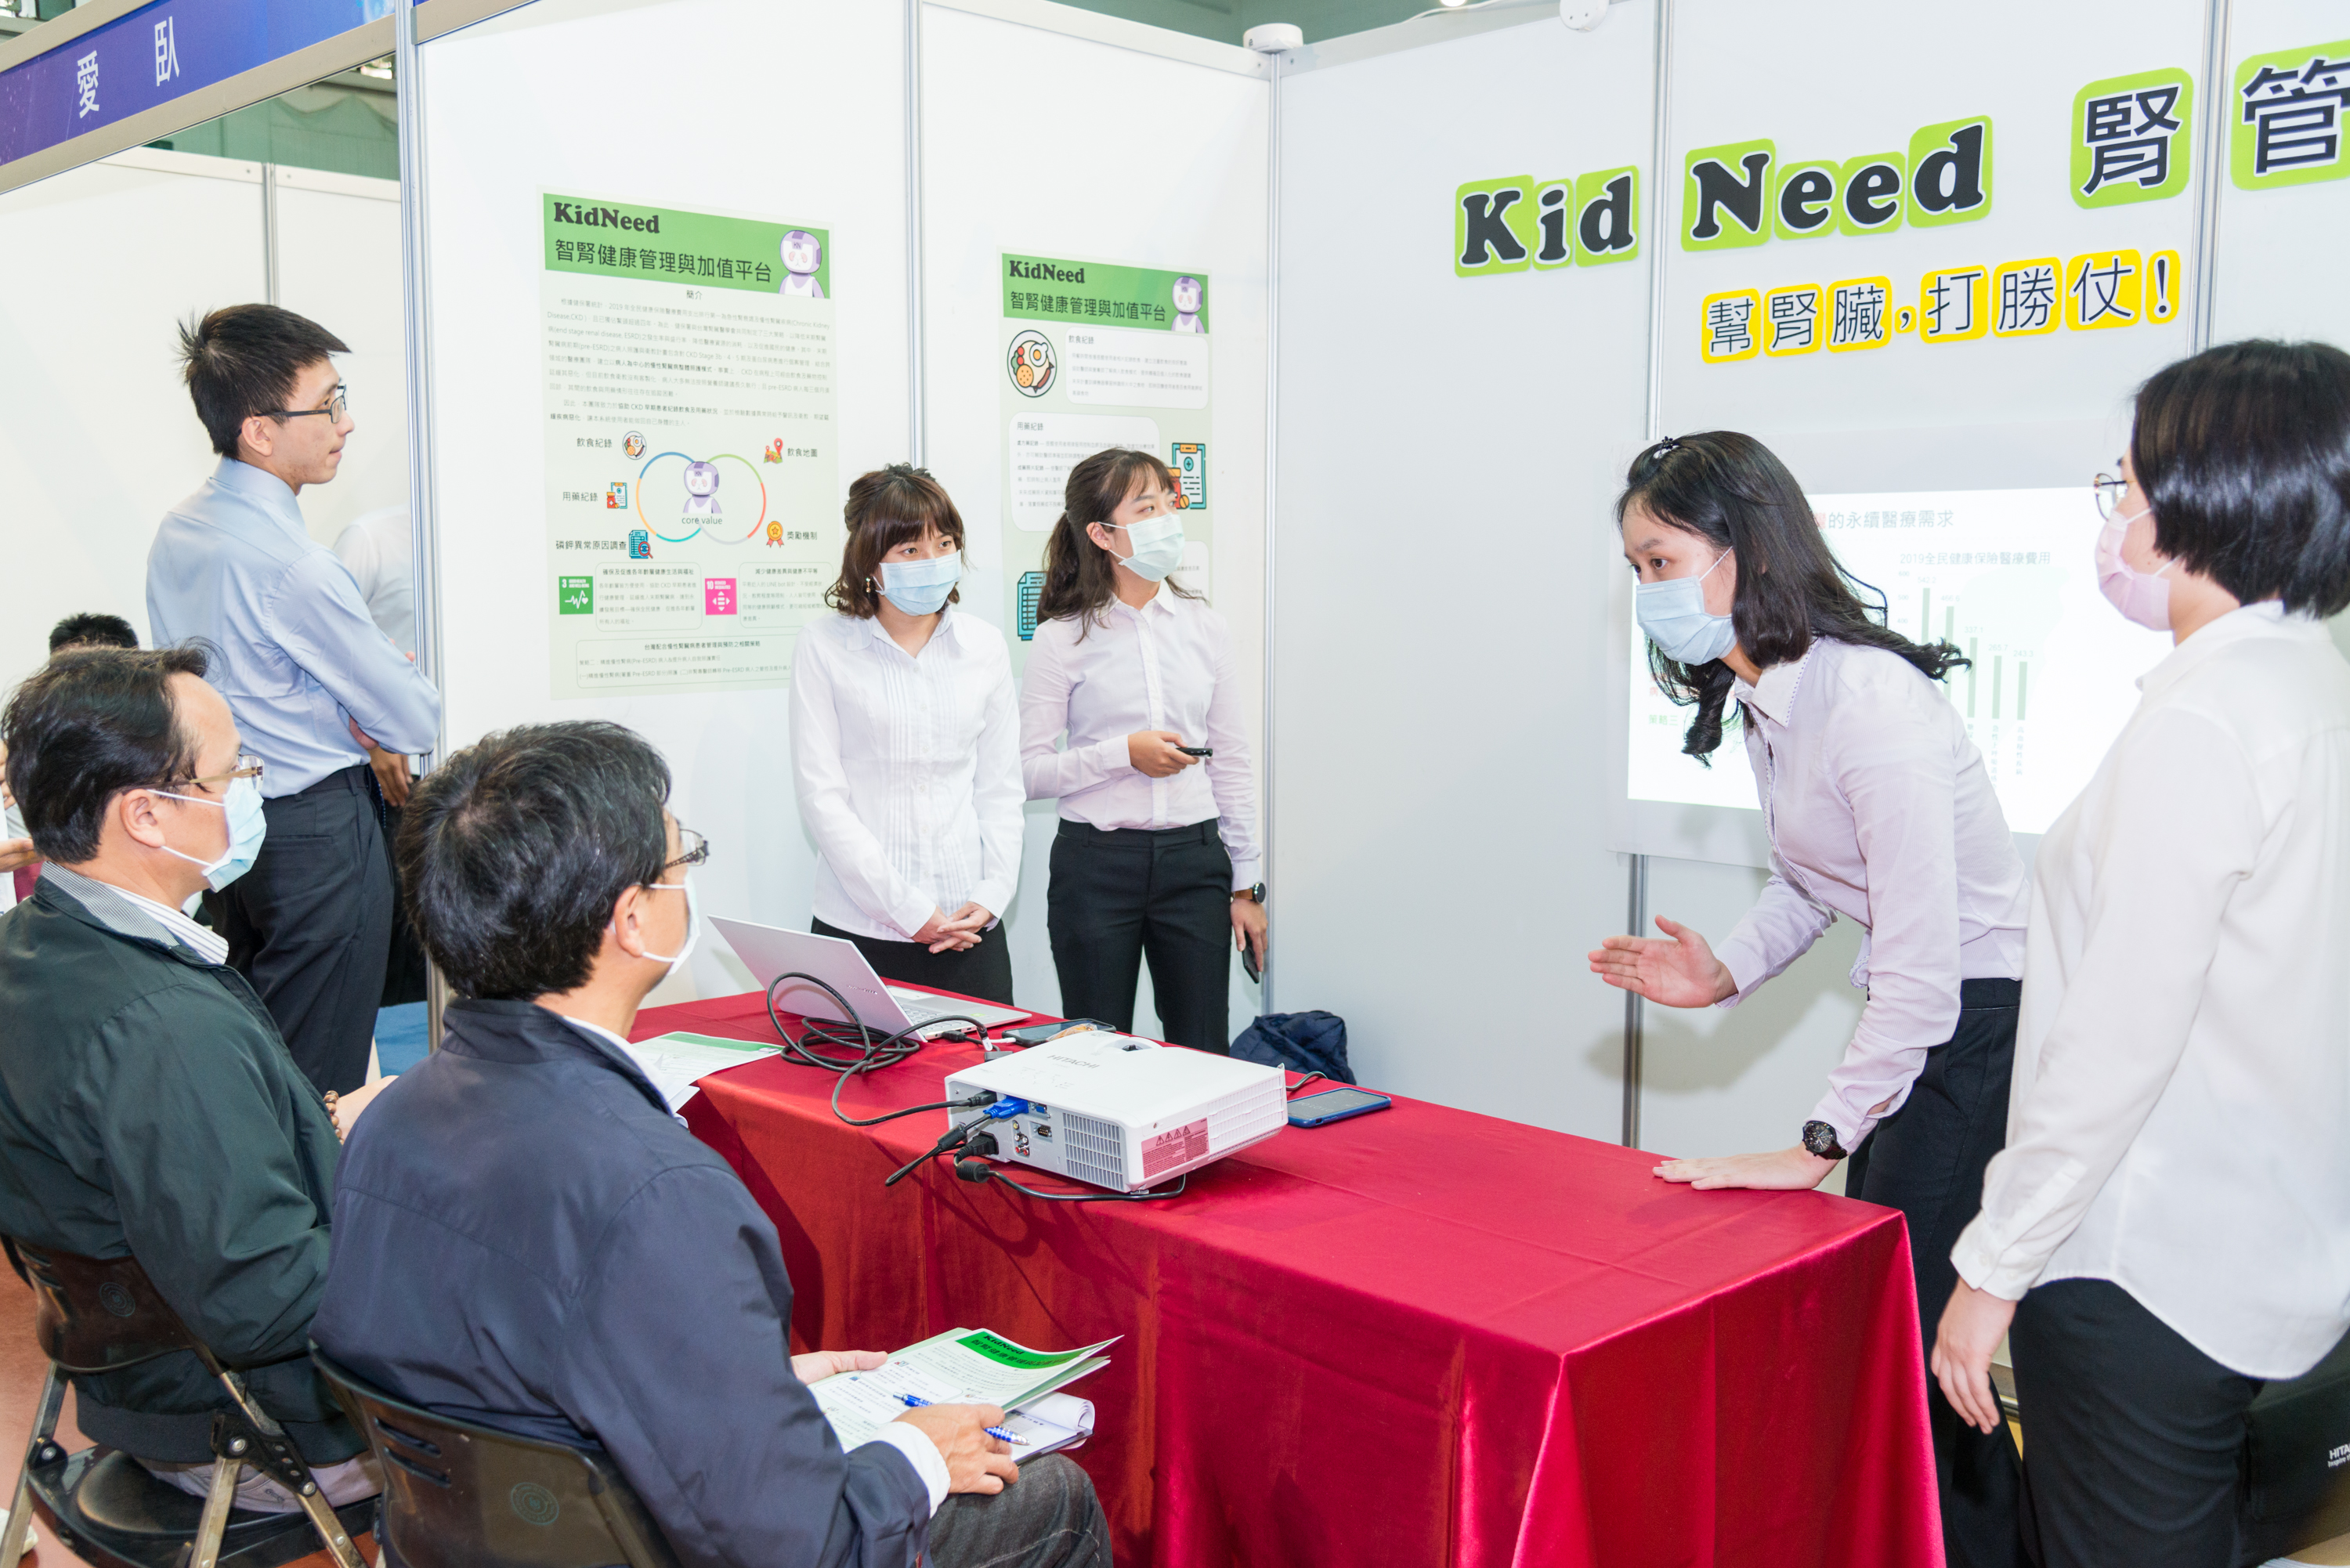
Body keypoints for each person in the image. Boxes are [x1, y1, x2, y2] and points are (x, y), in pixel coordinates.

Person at [312, 721, 1110, 1568]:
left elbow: (500, 1368)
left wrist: (749, 1392)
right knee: (1052, 1497)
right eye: (680, 859)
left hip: (467, 1542)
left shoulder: (390, 1121)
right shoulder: (660, 1190)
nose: (686, 878)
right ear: (632, 920)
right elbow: (807, 1547)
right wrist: (916, 1452)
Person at [1932, 341, 2350, 1568]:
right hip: (2270, 1242)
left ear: (2210, 493)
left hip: (2142, 1264)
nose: (2116, 513)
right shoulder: (2310, 687)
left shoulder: (2209, 718)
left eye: (2126, 482)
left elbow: (2116, 1036)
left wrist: (1992, 1268)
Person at [1585, 432, 2027, 1568]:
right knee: (1900, 1334)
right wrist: (1723, 970)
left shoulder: (1869, 704)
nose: (1648, 592)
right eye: (1636, 569)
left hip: (1984, 1020)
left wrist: (1816, 1141)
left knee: (1920, 1342)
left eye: (1661, 563)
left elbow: (1923, 974)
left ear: (1747, 549)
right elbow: (1811, 881)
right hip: (1943, 1017)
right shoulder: (1772, 693)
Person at [0, 646, 382, 1512]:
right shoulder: (163, 1024)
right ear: (145, 814)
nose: (250, 791)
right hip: (264, 1428)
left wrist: (316, 1127)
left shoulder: (34, 948)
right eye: (234, 772)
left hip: (136, 1386)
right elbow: (269, 1297)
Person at [146, 305, 440, 1093]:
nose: (347, 422)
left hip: (226, 823)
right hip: (317, 834)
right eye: (328, 404)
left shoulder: (179, 530)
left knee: (257, 1058)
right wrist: (365, 701)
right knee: (318, 1080)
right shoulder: (297, 566)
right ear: (259, 432)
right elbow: (414, 718)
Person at [1019, 448, 1264, 1053]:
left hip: (1195, 865)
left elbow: (1231, 759)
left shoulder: (1205, 627)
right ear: (1101, 534)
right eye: (1146, 508)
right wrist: (1120, 754)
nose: (1166, 519)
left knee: (1203, 1052)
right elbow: (1025, 772)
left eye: (1168, 504)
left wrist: (1246, 886)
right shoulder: (1061, 637)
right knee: (1095, 1053)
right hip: (1095, 868)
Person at [788, 464, 1022, 1003]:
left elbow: (1001, 789)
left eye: (944, 544)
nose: (933, 560)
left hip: (970, 929)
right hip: (861, 930)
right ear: (868, 561)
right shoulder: (823, 647)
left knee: (984, 1060)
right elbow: (822, 799)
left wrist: (992, 895)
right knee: (858, 1063)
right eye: (910, 550)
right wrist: (908, 911)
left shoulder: (984, 646)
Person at [331, 504, 428, 1010]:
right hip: (400, 780)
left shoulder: (497, 535)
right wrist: (374, 744)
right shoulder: (371, 539)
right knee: (401, 940)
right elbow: (328, 647)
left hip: (484, 771)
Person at [5, 615, 144, 900]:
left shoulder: (163, 755)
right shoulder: (19, 756)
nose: (79, 696)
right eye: (67, 679)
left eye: (98, 681)